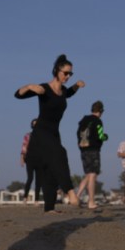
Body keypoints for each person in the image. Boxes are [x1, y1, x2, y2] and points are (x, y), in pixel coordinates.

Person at [15, 54, 84, 213]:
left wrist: (77, 85)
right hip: (40, 132)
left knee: (50, 169)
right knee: (61, 153)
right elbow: (18, 95)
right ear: (56, 71)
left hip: (54, 133)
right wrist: (30, 86)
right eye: (65, 73)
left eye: (70, 74)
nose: (68, 76)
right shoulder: (44, 89)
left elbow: (69, 94)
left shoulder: (64, 90)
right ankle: (70, 192)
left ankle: (49, 207)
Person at [75, 101, 108, 209]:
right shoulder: (98, 121)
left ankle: (77, 197)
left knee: (88, 174)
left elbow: (78, 134)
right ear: (100, 111)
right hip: (93, 149)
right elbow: (100, 135)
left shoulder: (83, 120)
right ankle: (91, 202)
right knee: (93, 174)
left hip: (83, 149)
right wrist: (105, 137)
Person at [20, 119, 41, 203]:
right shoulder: (28, 135)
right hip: (30, 159)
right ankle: (25, 197)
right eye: (34, 124)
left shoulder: (44, 136)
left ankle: (36, 199)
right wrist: (22, 158)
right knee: (30, 178)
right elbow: (24, 147)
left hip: (40, 159)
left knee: (39, 180)